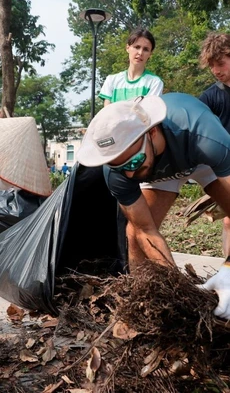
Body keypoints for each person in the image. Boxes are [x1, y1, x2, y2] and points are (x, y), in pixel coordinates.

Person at [77, 93, 230, 320]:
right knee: (134, 231)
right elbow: (145, 230)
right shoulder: (120, 171)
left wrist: (229, 268)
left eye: (133, 162)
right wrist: (177, 293)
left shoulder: (205, 136)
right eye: (120, 167)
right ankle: (142, 302)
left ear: (152, 132)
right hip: (158, 165)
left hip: (199, 156)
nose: (130, 174)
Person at [199, 32, 230, 258]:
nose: (216, 70)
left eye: (220, 63)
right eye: (212, 66)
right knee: (229, 221)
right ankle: (228, 274)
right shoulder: (208, 98)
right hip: (226, 168)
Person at [99, 27, 163, 106]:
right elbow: (108, 113)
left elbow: (149, 112)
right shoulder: (112, 80)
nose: (140, 53)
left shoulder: (154, 82)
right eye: (137, 47)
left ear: (150, 53)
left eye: (146, 49)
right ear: (127, 48)